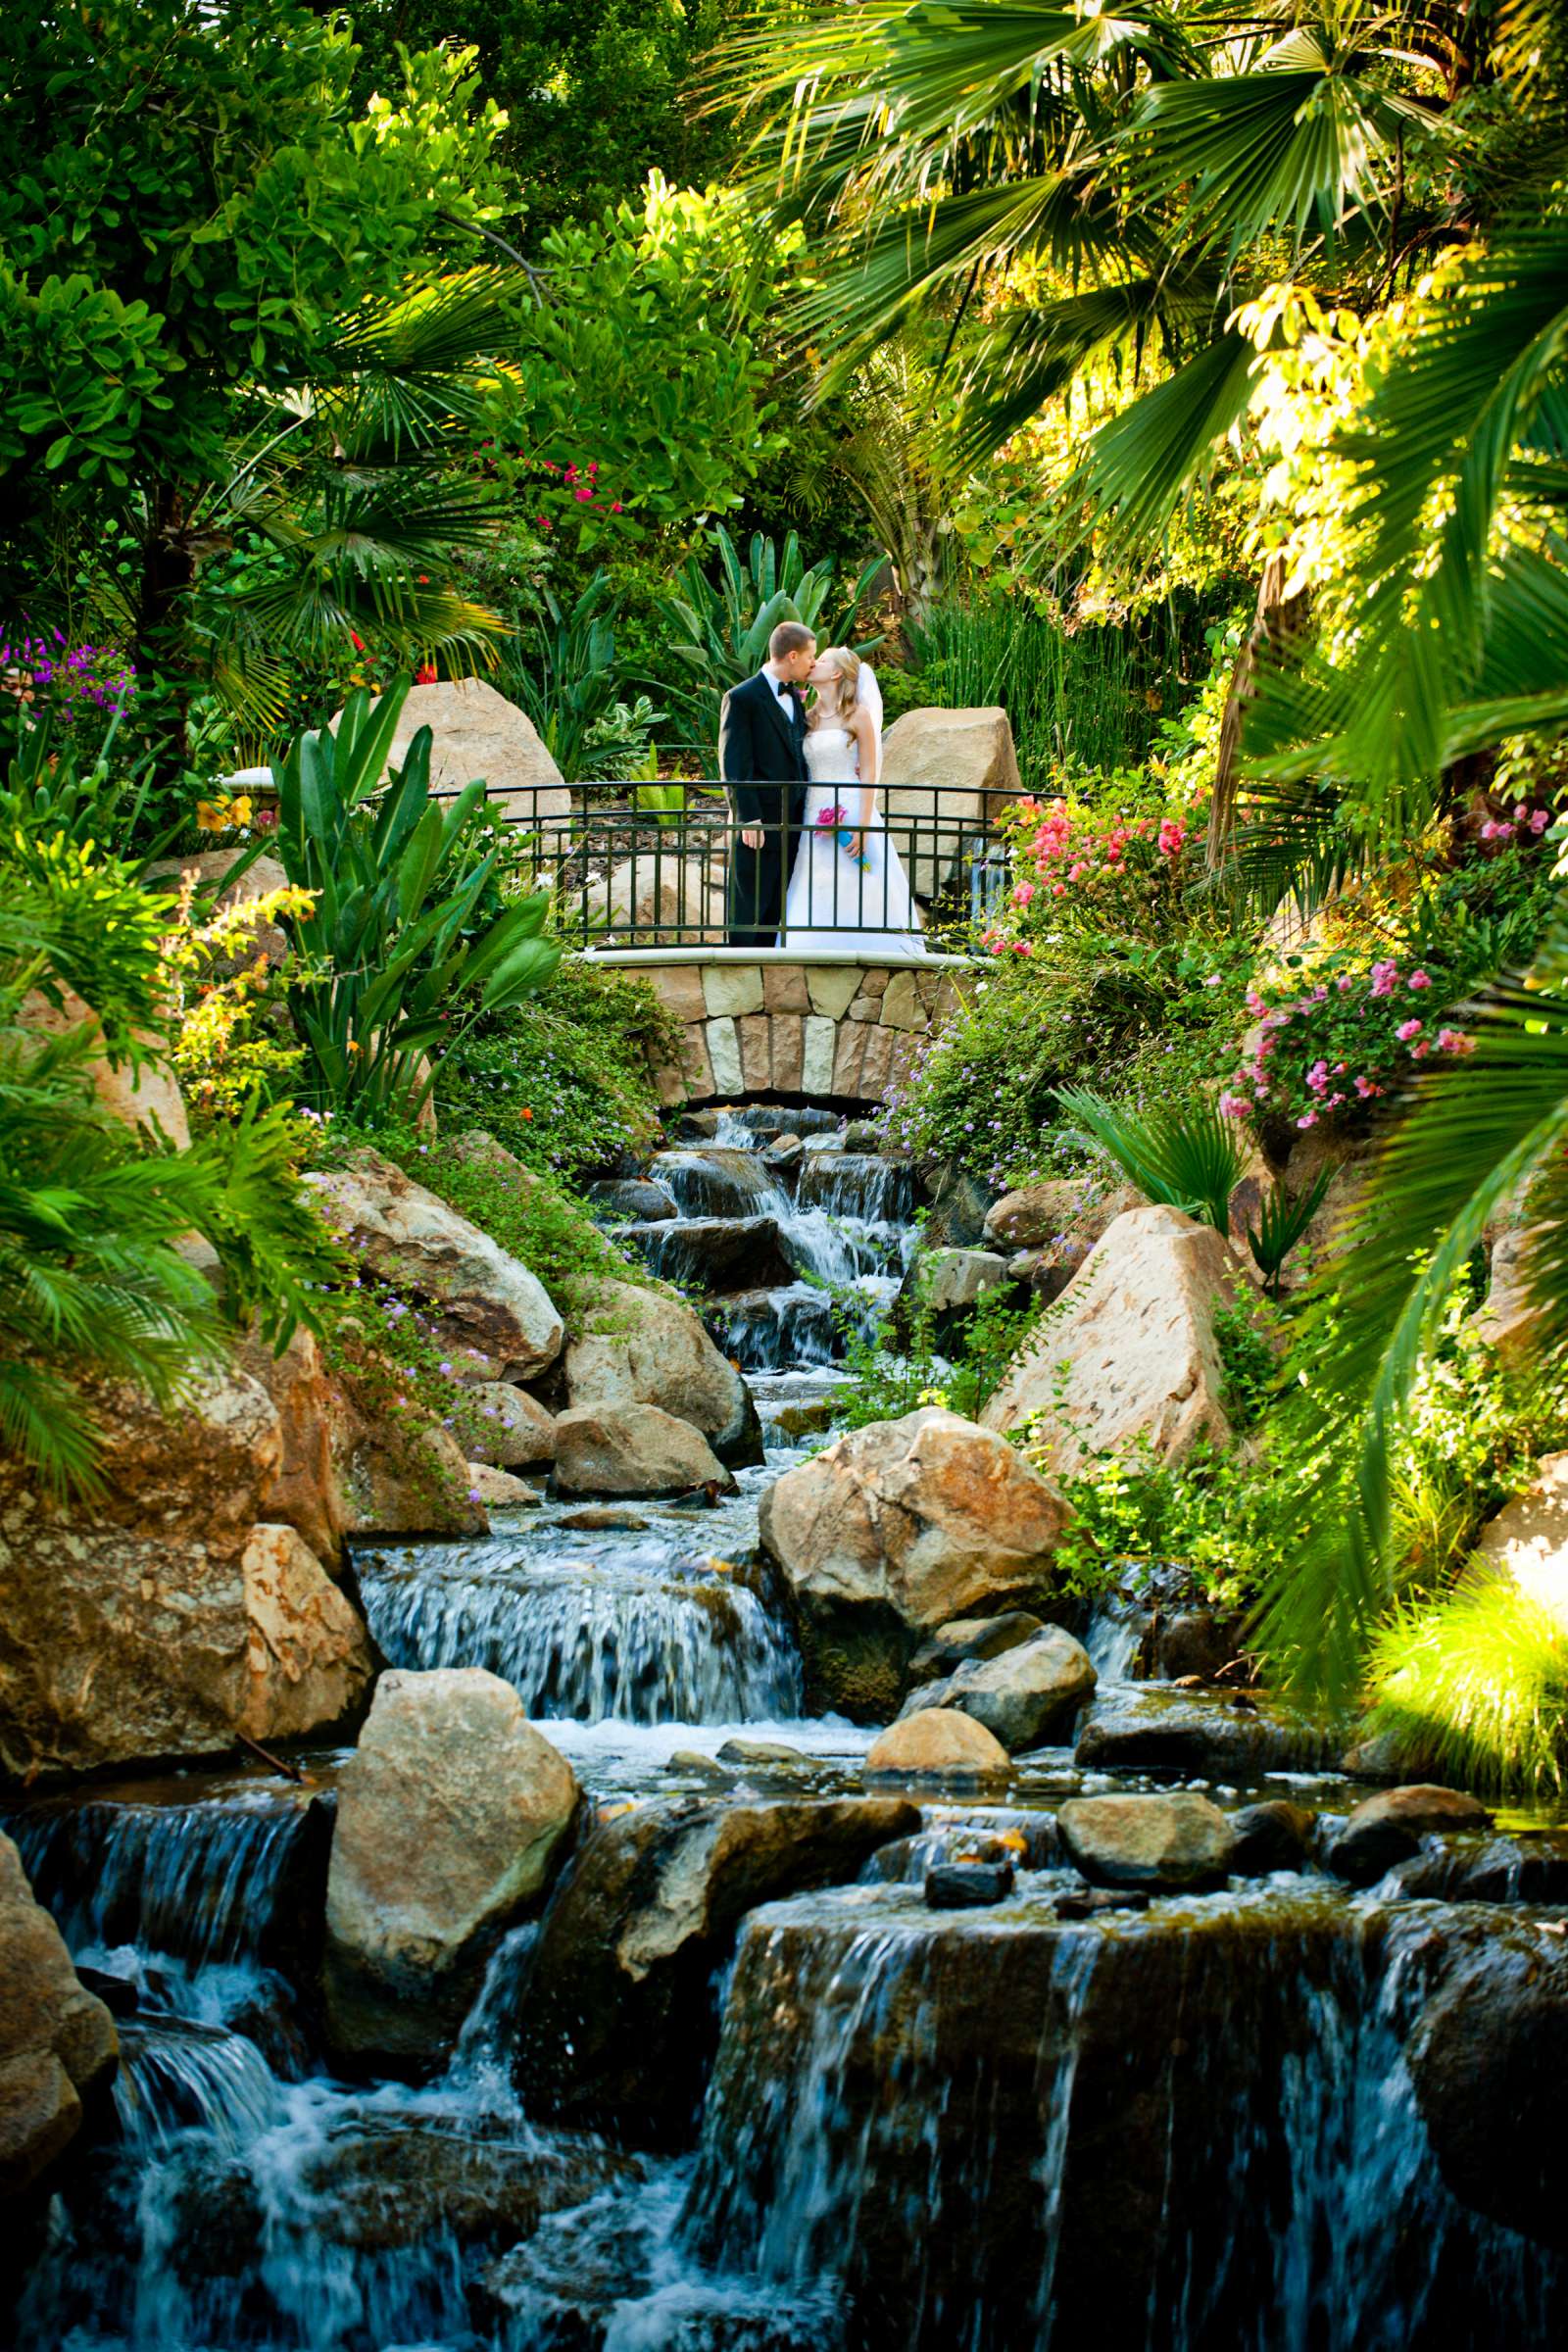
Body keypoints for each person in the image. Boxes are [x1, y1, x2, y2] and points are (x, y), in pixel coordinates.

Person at [780, 645, 925, 955]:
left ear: (836, 673)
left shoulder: (857, 716)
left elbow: (870, 772)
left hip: (851, 808)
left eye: (820, 660)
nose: (812, 664)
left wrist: (862, 826)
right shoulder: (806, 718)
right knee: (814, 879)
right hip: (813, 812)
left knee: (857, 880)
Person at [718, 619, 815, 949]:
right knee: (751, 899)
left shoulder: (796, 697)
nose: (811, 664)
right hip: (761, 817)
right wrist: (749, 816)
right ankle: (741, 967)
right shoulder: (742, 697)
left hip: (795, 816)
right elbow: (734, 765)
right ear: (791, 655)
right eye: (809, 657)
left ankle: (768, 966)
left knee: (777, 898)